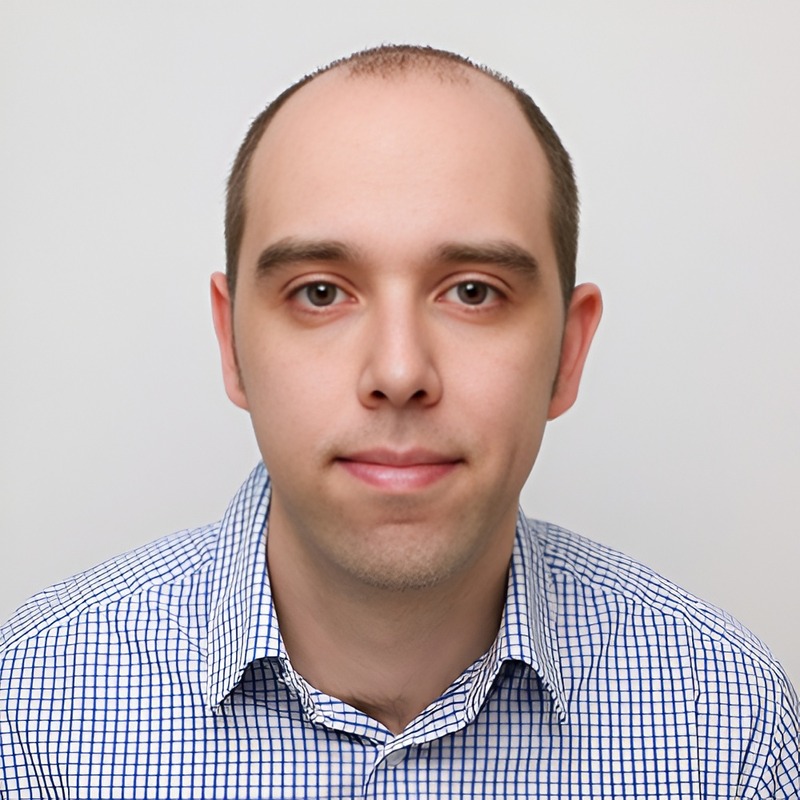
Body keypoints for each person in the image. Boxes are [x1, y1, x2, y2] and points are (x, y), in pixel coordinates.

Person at [0, 44, 797, 799]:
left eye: (474, 292)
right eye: (319, 292)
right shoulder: (31, 712)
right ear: (231, 342)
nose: (399, 372)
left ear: (568, 351)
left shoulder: (728, 728)